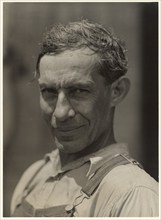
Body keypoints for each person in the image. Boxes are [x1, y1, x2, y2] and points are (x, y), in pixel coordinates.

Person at [10, 19, 158, 217]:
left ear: (117, 92)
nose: (60, 113)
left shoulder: (133, 193)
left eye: (78, 91)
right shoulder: (34, 176)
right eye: (49, 92)